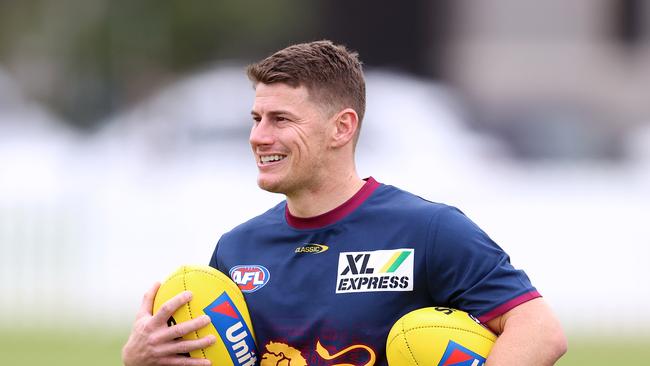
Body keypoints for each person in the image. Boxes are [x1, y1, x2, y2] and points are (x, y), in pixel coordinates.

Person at [122, 40, 567, 366]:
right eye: (257, 119)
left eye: (281, 119)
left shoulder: (428, 230)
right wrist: (140, 361)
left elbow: (539, 330)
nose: (259, 136)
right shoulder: (238, 249)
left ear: (342, 128)